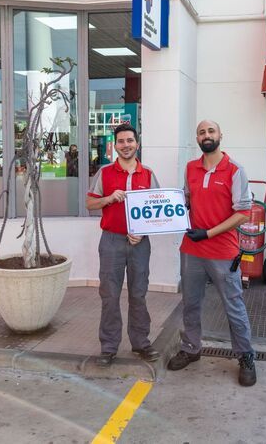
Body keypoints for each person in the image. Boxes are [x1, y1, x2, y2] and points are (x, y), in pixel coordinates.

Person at [168, 119, 257, 387]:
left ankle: (245, 356)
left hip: (223, 251)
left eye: (211, 131)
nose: (206, 135)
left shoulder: (235, 170)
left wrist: (208, 233)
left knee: (233, 306)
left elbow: (243, 213)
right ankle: (191, 348)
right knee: (191, 303)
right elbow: (186, 200)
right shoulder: (190, 168)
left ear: (220, 135)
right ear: (197, 138)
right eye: (201, 132)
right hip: (192, 249)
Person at [86, 123, 160, 367]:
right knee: (110, 295)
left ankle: (141, 343)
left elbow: (157, 211)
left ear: (137, 144)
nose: (126, 145)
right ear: (115, 145)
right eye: (121, 141)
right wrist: (108, 198)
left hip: (140, 244)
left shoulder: (148, 174)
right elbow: (90, 203)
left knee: (138, 294)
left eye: (130, 140)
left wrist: (143, 232)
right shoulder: (105, 172)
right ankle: (108, 347)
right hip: (111, 241)